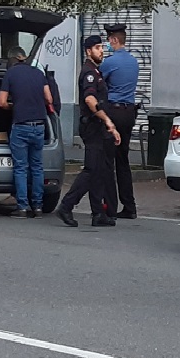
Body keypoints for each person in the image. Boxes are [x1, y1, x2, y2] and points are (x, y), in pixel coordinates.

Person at [54, 35, 121, 228]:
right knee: (91, 170)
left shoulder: (96, 71)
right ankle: (66, 206)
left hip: (97, 127)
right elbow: (90, 100)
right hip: (92, 127)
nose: (101, 51)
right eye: (97, 48)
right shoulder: (89, 73)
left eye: (102, 47)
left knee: (99, 170)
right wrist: (107, 120)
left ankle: (98, 213)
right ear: (88, 51)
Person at [0, 47, 54, 218]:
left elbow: (1, 102)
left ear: (12, 60)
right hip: (39, 126)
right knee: (37, 167)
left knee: (21, 168)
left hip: (21, 126)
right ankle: (38, 207)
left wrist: (13, 106)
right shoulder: (38, 73)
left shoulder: (10, 74)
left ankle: (22, 207)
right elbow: (49, 99)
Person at [100, 23, 139, 219]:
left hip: (113, 113)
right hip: (129, 113)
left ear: (114, 40)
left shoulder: (109, 62)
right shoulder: (134, 62)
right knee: (123, 160)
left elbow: (99, 84)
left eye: (109, 40)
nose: (107, 43)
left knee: (107, 160)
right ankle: (129, 206)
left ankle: (110, 206)